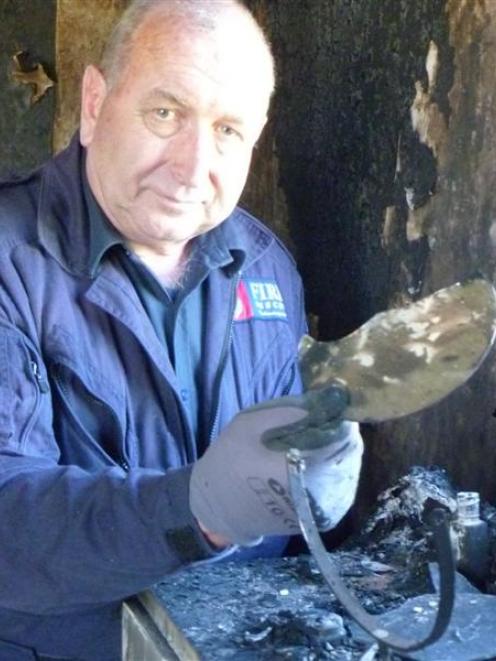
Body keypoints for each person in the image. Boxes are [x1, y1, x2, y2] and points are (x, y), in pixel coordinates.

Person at [0, 0, 363, 658]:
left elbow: (278, 479)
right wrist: (197, 509)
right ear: (92, 102)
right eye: (166, 113)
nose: (193, 167)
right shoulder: (9, 261)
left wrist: (314, 485)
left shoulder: (266, 267)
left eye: (228, 130)